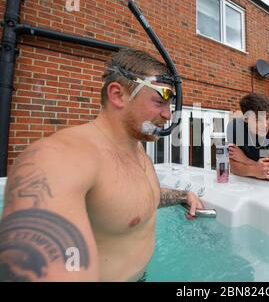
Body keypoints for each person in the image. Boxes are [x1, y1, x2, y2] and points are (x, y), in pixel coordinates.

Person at [0, 49, 204, 282]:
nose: (168, 115)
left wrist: (182, 195)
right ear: (118, 95)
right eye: (159, 101)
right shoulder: (56, 158)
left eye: (170, 104)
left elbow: (139, 199)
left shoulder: (137, 150)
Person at [226, 92, 269, 182]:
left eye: (267, 118)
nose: (264, 125)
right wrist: (255, 170)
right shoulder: (234, 127)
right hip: (245, 176)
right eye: (257, 120)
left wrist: (246, 160)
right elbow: (233, 167)